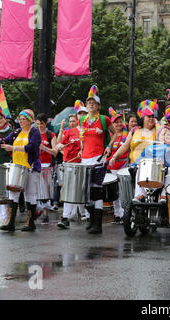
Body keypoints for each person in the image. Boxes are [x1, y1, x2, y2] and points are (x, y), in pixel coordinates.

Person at [0, 109, 42, 232]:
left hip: (31, 167)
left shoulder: (34, 132)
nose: (20, 121)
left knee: (29, 194)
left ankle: (30, 223)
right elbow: (5, 141)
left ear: (30, 120)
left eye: (23, 119)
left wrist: (13, 147)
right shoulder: (17, 132)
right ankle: (10, 223)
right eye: (19, 118)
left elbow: (32, 147)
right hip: (17, 167)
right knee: (13, 193)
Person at [78, 86, 117, 234]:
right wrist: (81, 148)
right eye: (88, 103)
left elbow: (114, 133)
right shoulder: (82, 120)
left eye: (93, 103)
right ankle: (92, 219)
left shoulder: (103, 119)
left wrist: (109, 146)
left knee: (96, 189)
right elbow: (83, 137)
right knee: (85, 191)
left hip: (99, 157)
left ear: (98, 105)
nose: (90, 105)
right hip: (85, 158)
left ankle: (98, 224)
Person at [109, 100, 159, 202]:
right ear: (143, 118)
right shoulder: (135, 130)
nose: (151, 118)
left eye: (152, 116)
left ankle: (140, 196)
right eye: (148, 116)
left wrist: (159, 125)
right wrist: (114, 156)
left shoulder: (158, 129)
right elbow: (126, 145)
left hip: (153, 167)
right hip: (135, 166)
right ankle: (136, 200)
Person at [56, 106, 86, 229]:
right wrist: (62, 129)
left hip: (81, 163)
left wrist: (82, 151)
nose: (72, 122)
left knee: (82, 188)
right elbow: (59, 145)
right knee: (68, 189)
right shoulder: (67, 132)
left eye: (74, 120)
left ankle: (86, 214)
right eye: (71, 121)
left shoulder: (84, 130)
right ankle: (65, 217)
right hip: (69, 163)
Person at [106, 107, 129, 224]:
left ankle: (125, 214)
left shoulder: (127, 134)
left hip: (124, 166)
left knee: (123, 192)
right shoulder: (110, 136)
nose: (119, 124)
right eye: (116, 122)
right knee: (115, 192)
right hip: (112, 167)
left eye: (120, 121)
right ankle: (117, 214)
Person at [35, 113, 58, 223]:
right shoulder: (33, 133)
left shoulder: (51, 135)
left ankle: (45, 214)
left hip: (47, 165)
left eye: (42, 124)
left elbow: (55, 152)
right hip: (35, 164)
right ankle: (35, 212)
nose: (40, 127)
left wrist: (44, 148)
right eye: (38, 124)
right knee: (36, 190)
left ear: (46, 123)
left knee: (45, 190)